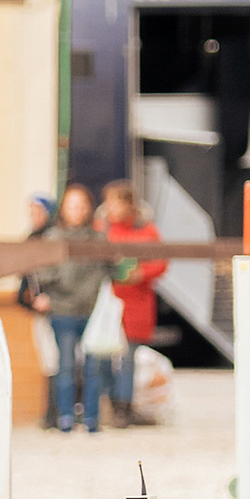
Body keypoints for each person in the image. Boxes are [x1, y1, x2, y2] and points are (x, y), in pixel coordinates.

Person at [31, 181, 112, 433]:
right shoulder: (52, 238)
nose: (77, 210)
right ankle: (65, 417)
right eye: (72, 205)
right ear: (64, 209)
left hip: (92, 311)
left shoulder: (99, 239)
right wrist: (49, 295)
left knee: (93, 367)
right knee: (65, 366)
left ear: (88, 208)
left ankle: (91, 418)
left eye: (81, 205)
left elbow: (110, 270)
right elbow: (42, 272)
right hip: (63, 310)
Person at [100, 179, 167, 429]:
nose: (110, 209)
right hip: (108, 304)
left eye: (114, 203)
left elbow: (161, 262)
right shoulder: (102, 230)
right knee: (104, 354)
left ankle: (124, 409)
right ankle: (111, 404)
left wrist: (142, 272)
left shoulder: (146, 231)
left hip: (136, 304)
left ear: (129, 204)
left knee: (128, 358)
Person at [13, 193, 57, 431]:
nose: (34, 217)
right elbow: (25, 280)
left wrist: (51, 299)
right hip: (38, 309)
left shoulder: (54, 238)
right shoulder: (30, 240)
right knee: (48, 361)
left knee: (61, 361)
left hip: (57, 308)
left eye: (38, 212)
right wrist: (28, 301)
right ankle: (50, 413)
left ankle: (59, 412)